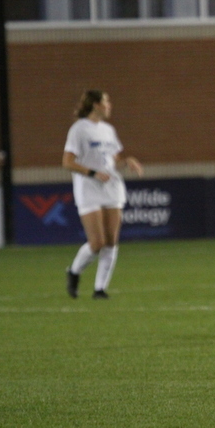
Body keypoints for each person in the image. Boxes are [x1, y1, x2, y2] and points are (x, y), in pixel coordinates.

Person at [63, 90, 143, 299]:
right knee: (97, 242)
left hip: (112, 186)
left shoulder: (108, 130)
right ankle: (73, 272)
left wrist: (126, 162)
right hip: (89, 188)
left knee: (111, 240)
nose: (109, 106)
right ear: (96, 105)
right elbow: (67, 162)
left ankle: (100, 289)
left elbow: (114, 160)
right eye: (106, 102)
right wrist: (92, 173)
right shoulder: (79, 129)